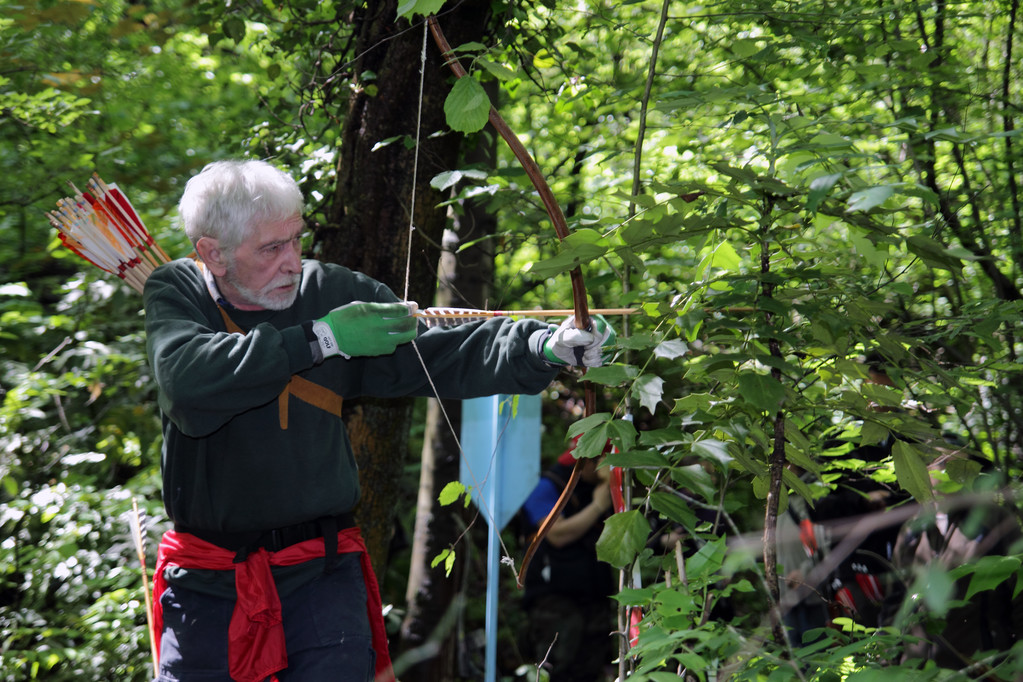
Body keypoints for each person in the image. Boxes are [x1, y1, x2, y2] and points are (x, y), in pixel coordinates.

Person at [143, 159, 614, 682]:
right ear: (213, 253)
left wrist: (541, 346)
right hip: (210, 578)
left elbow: (437, 348)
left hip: (320, 573)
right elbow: (189, 385)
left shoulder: (331, 291)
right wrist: (323, 339)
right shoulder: (178, 290)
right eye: (271, 249)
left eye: (296, 241)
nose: (293, 263)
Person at [518, 439, 616, 682]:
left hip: (594, 596)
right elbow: (557, 535)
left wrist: (611, 481)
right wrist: (597, 506)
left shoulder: (605, 486)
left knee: (590, 670)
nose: (580, 468)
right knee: (557, 667)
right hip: (555, 599)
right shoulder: (547, 487)